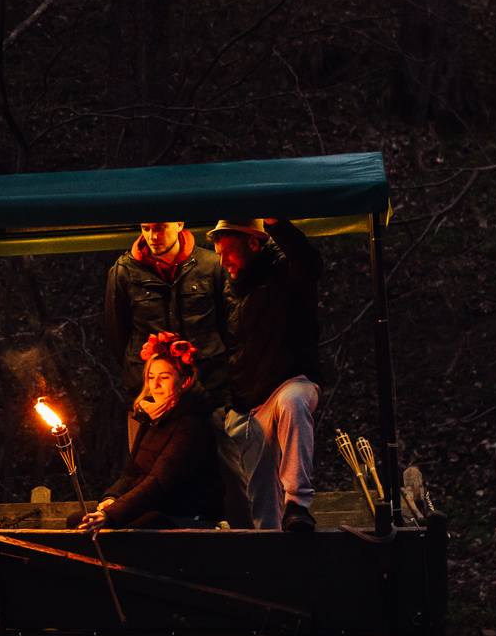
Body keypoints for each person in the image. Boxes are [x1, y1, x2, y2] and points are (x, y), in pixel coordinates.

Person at [104, 216, 267, 523]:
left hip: (209, 389)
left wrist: (227, 383)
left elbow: (230, 326)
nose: (153, 236)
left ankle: (247, 537)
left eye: (160, 227)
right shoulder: (125, 271)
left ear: (179, 224)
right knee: (147, 474)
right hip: (153, 398)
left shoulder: (209, 265)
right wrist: (143, 384)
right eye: (146, 228)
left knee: (231, 472)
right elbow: (117, 334)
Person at [211, 218, 322, 532]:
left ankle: (297, 505)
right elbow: (230, 349)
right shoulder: (230, 290)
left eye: (229, 252)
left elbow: (309, 262)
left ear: (253, 243)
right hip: (248, 400)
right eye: (219, 254)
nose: (223, 261)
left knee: (293, 403)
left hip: (289, 382)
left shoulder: (285, 273)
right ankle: (268, 538)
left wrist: (276, 222)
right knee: (258, 488)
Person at [80, 333, 223, 532]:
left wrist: (111, 515)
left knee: (124, 530)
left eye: (164, 377)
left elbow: (159, 482)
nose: (155, 385)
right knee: (79, 521)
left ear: (185, 381)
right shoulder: (152, 418)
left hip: (183, 514)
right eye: (151, 377)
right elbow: (132, 473)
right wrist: (111, 499)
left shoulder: (191, 424)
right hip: (153, 507)